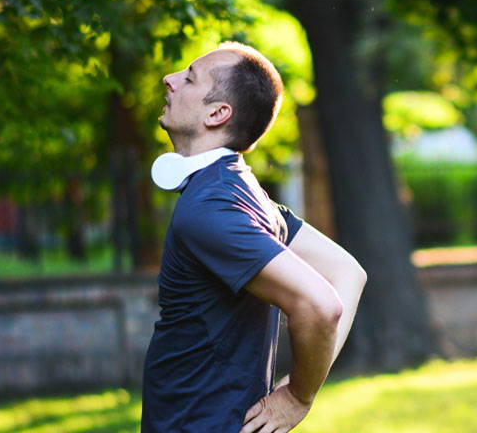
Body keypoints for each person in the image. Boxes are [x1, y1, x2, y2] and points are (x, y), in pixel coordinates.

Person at [141, 42, 366, 433]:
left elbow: (321, 304)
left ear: (217, 113)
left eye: (189, 78)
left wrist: (299, 395)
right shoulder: (240, 189)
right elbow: (348, 271)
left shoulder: (211, 207)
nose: (170, 79)